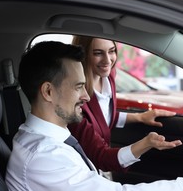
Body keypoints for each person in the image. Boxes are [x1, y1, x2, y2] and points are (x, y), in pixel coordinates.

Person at [5, 41, 183, 191]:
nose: (86, 97)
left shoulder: (43, 140)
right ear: (48, 91)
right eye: (79, 87)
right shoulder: (44, 157)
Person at [68, 35, 176, 173]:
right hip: (83, 169)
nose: (108, 60)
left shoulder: (108, 76)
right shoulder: (76, 100)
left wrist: (140, 117)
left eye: (111, 51)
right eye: (98, 53)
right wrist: (146, 143)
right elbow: (101, 156)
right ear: (83, 55)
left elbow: (104, 115)